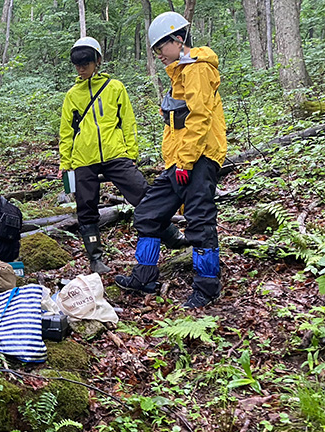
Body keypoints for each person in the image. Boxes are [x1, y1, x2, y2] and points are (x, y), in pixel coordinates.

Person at [115, 12, 227, 309]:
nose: (158, 56)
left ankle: (207, 288)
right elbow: (177, 123)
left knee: (200, 221)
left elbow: (200, 118)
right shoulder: (180, 72)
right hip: (179, 162)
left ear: (177, 39)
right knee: (148, 214)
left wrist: (186, 162)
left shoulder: (197, 70)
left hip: (198, 159)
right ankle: (144, 277)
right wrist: (176, 162)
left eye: (160, 48)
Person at [58, 37, 187, 275]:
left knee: (143, 194)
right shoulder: (72, 96)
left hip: (115, 154)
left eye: (86, 62)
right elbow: (66, 131)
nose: (81, 67)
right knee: (86, 207)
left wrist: (131, 153)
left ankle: (171, 236)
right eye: (77, 63)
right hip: (83, 158)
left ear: (97, 61)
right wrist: (66, 163)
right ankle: (95, 258)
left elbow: (127, 122)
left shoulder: (114, 87)